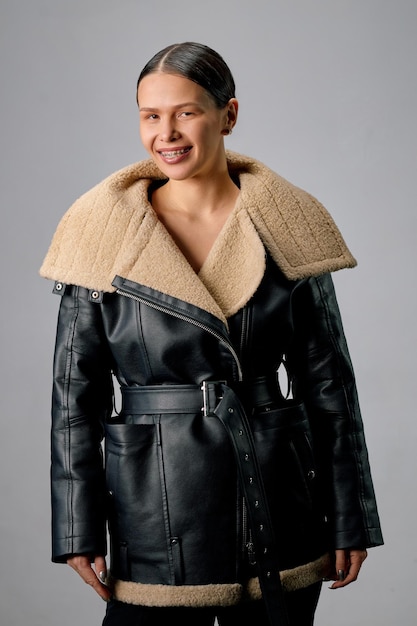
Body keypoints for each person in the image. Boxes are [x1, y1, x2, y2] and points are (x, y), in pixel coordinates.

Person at [40, 42, 383, 626]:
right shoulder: (99, 232)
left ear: (229, 114)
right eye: (151, 115)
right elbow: (75, 397)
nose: (166, 133)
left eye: (186, 112)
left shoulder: (289, 224)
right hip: (155, 502)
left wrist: (351, 515)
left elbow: (329, 385)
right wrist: (76, 525)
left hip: (278, 497)